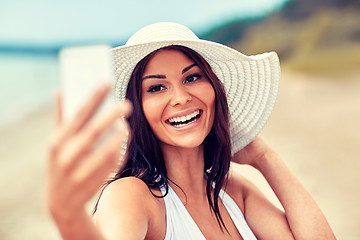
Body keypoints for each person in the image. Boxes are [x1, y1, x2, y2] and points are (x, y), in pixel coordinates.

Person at [46, 22, 335, 239]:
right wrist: (68, 216)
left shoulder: (233, 191)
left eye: (192, 77)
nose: (181, 98)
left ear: (214, 90)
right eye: (156, 87)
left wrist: (264, 156)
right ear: (135, 109)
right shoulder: (133, 195)